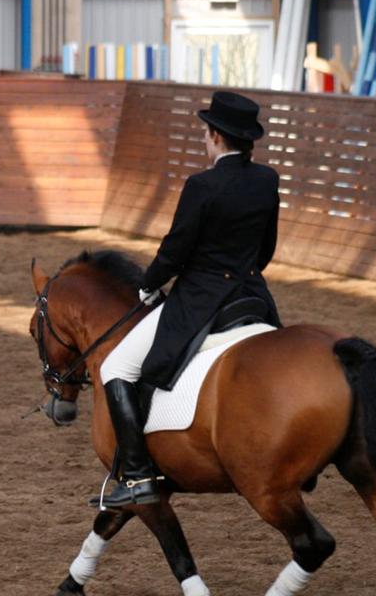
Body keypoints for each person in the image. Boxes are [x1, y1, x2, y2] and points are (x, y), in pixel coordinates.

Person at [93, 91, 283, 509]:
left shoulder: (201, 185)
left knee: (116, 367)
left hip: (201, 299)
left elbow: (176, 248)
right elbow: (265, 250)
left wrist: (149, 283)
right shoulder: (267, 180)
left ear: (215, 135)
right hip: (252, 296)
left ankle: (139, 476)